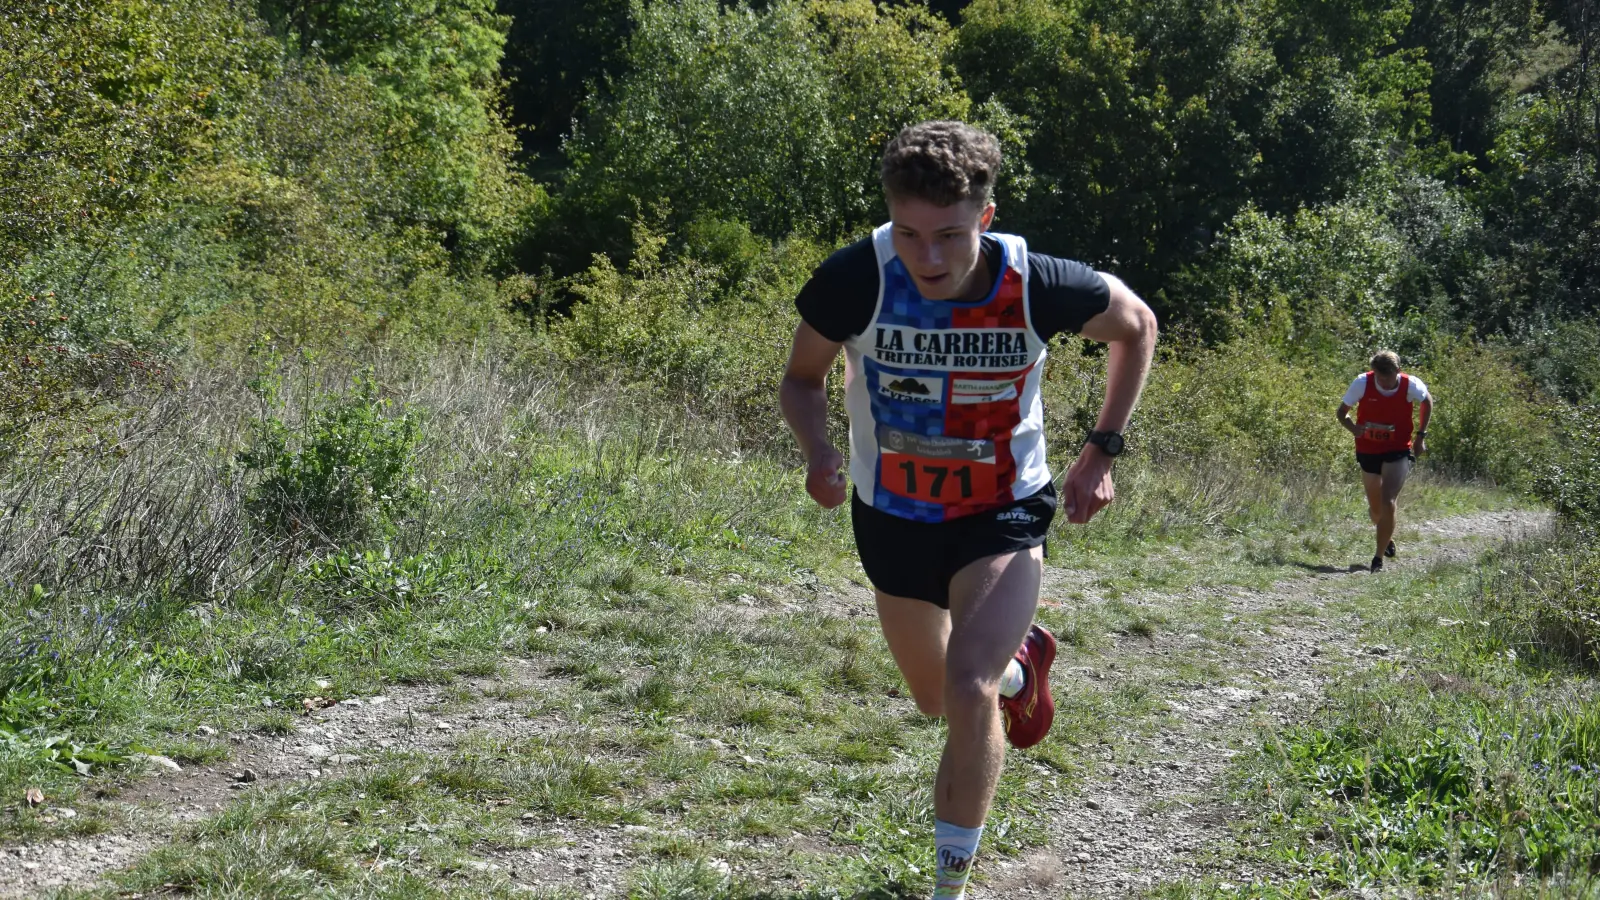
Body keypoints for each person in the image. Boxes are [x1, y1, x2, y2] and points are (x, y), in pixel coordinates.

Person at [779, 120, 1158, 900]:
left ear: (985, 218)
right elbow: (801, 377)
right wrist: (818, 450)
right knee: (934, 699)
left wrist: (1102, 452)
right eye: (910, 233)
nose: (929, 258)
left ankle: (949, 886)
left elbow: (1138, 325)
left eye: (950, 235)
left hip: (1003, 511)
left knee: (966, 689)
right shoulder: (857, 277)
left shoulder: (1037, 280)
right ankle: (1025, 669)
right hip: (891, 515)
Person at [1336, 350, 1432, 572]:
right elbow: (1342, 413)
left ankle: (1377, 558)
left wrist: (1421, 436)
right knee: (1375, 509)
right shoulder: (1362, 383)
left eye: (1388, 378)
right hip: (1368, 449)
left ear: (1398, 371)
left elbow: (1427, 401)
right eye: (1380, 377)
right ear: (1374, 371)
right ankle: (1386, 536)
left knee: (1388, 500)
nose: (1384, 382)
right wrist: (1354, 429)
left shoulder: (1410, 385)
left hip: (1398, 449)